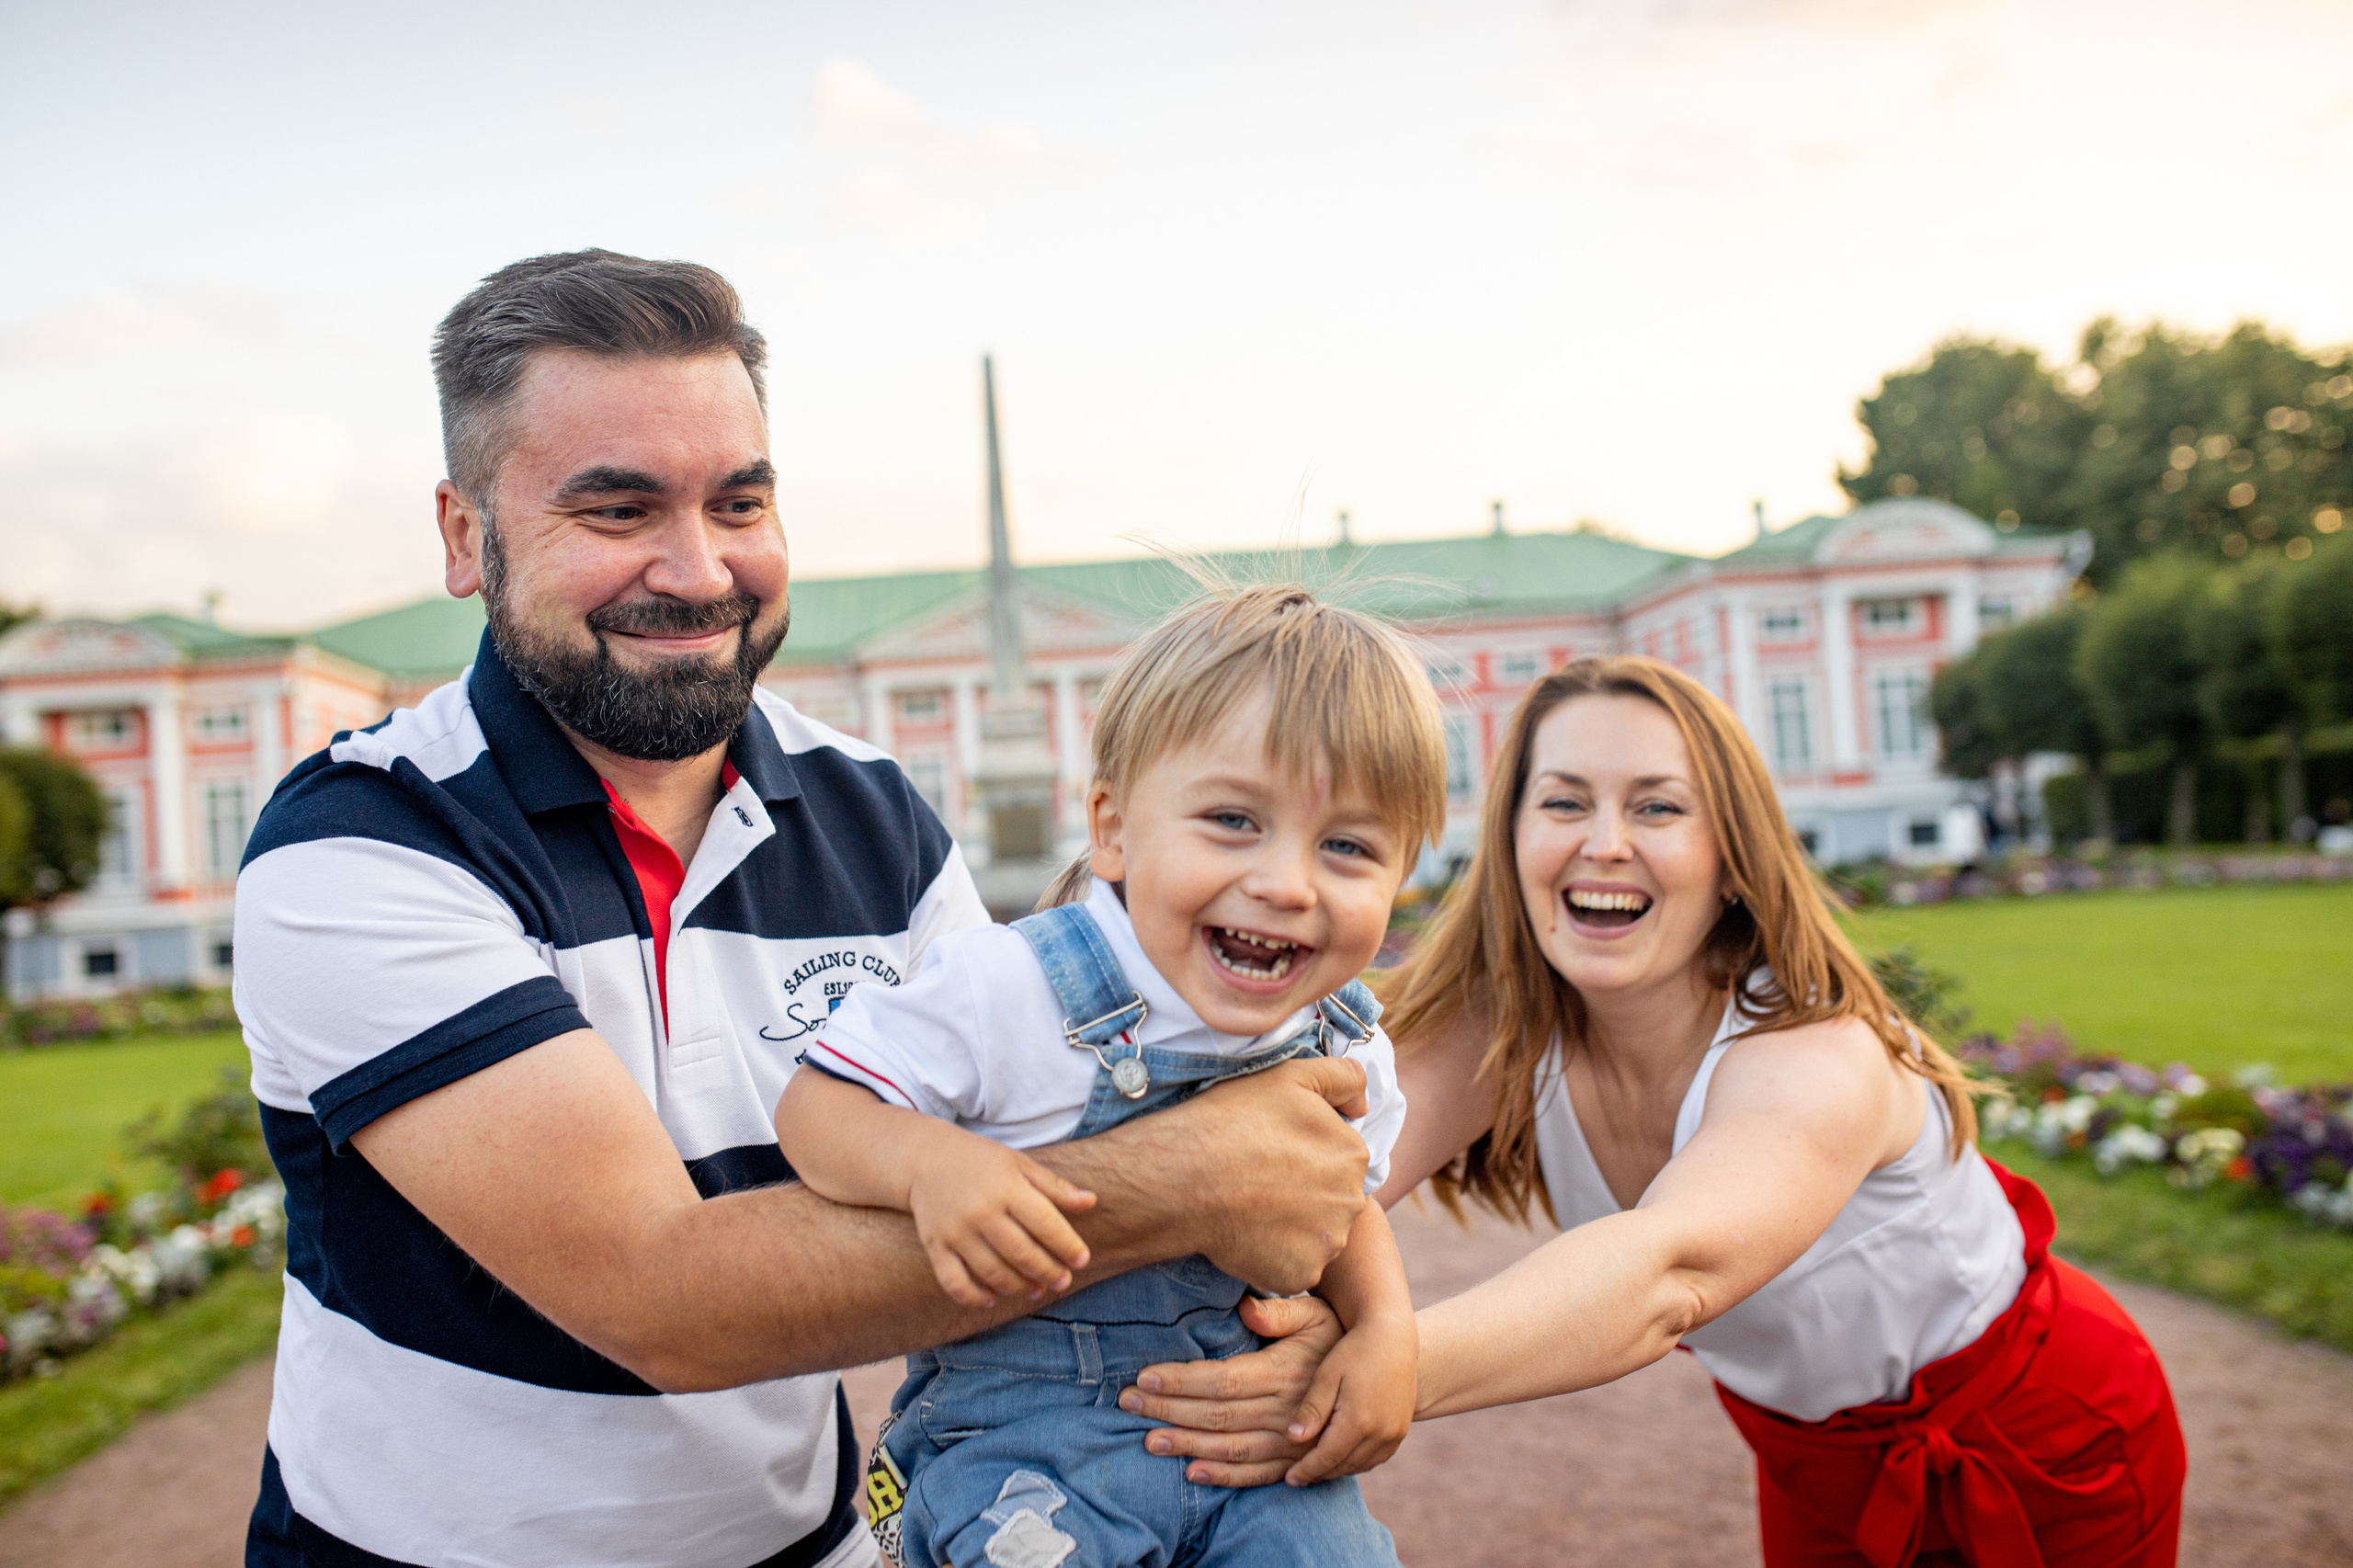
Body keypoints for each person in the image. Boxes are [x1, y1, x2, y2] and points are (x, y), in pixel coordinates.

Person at [232, 250, 1379, 1568]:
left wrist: (1307, 1336)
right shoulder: (366, 835)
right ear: (462, 533)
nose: (698, 567)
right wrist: (1204, 1175)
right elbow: (661, 1296)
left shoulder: (875, 815)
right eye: (616, 511)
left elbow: (1045, 1119)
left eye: (740, 500)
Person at [1130, 656, 2188, 1566]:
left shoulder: (1812, 1050)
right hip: (1810, 1452)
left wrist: (1383, 1363)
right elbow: (1305, 1172)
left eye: (1656, 805)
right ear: (1509, 840)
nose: (1603, 841)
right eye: (1563, 802)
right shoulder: (1505, 1027)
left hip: (2047, 1431)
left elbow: (1667, 1273)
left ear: (1729, 855)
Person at [777, 584, 1433, 1568]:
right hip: (1022, 1443)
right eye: (1232, 819)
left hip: (1242, 1449)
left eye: (1346, 845)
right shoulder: (1012, 983)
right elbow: (818, 1103)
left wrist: (1385, 1328)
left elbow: (1347, 1203)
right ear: (1114, 827)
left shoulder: (1341, 1038)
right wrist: (928, 1166)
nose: (1289, 882)